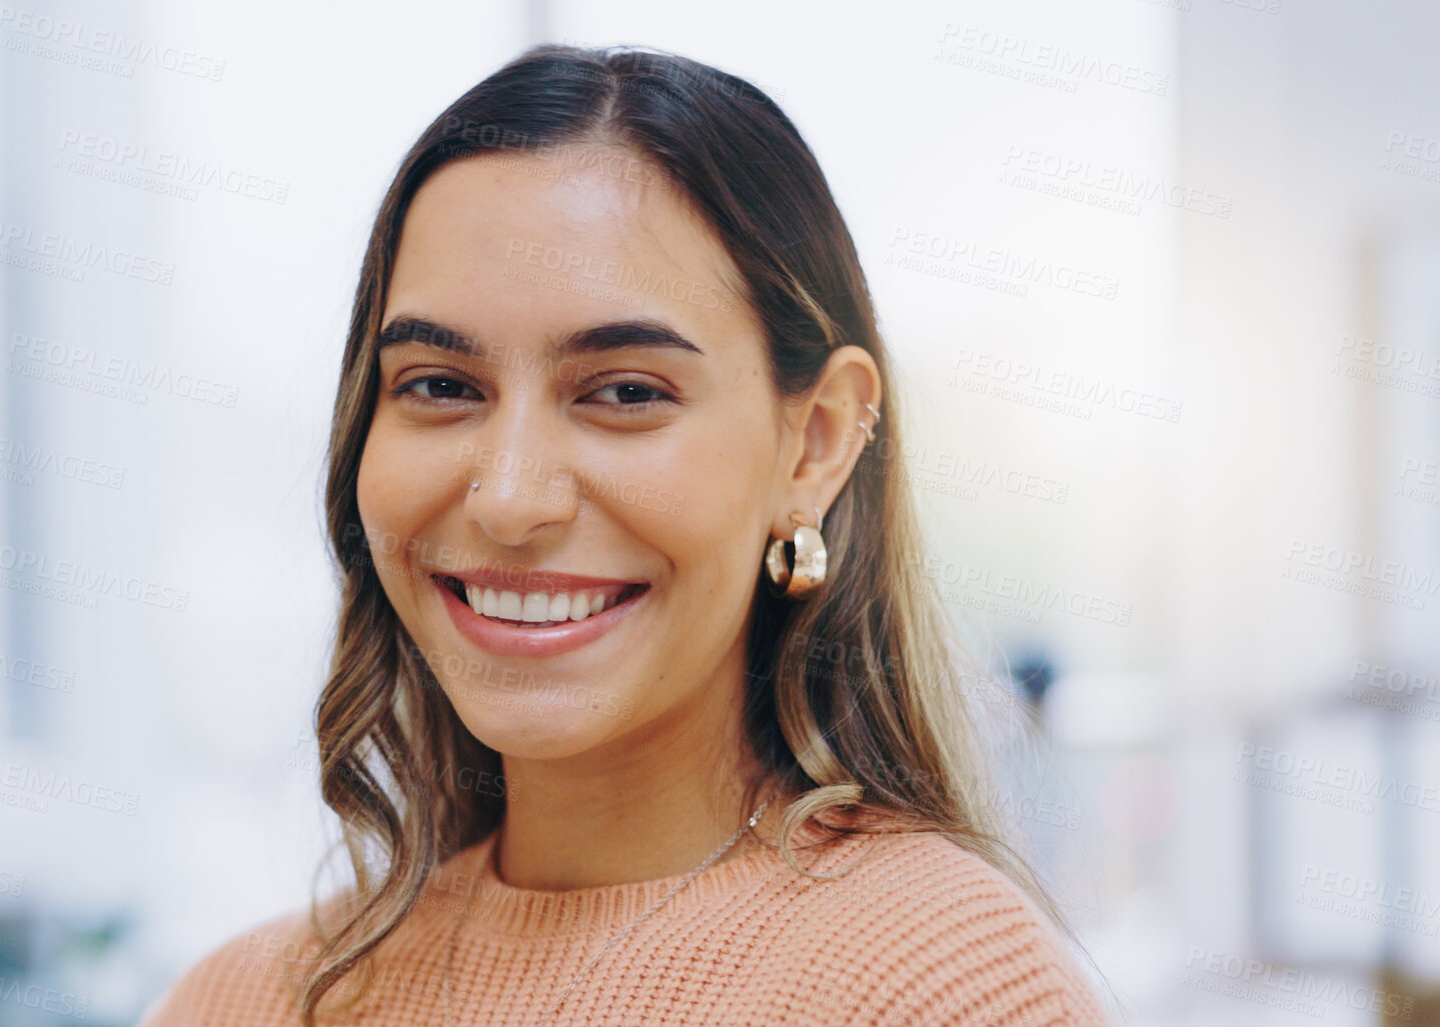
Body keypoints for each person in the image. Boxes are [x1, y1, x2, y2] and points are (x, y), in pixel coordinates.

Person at [140, 43, 1110, 1027]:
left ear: (814, 443)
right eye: (440, 385)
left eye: (626, 392)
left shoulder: (946, 990)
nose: (511, 499)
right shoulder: (241, 1000)